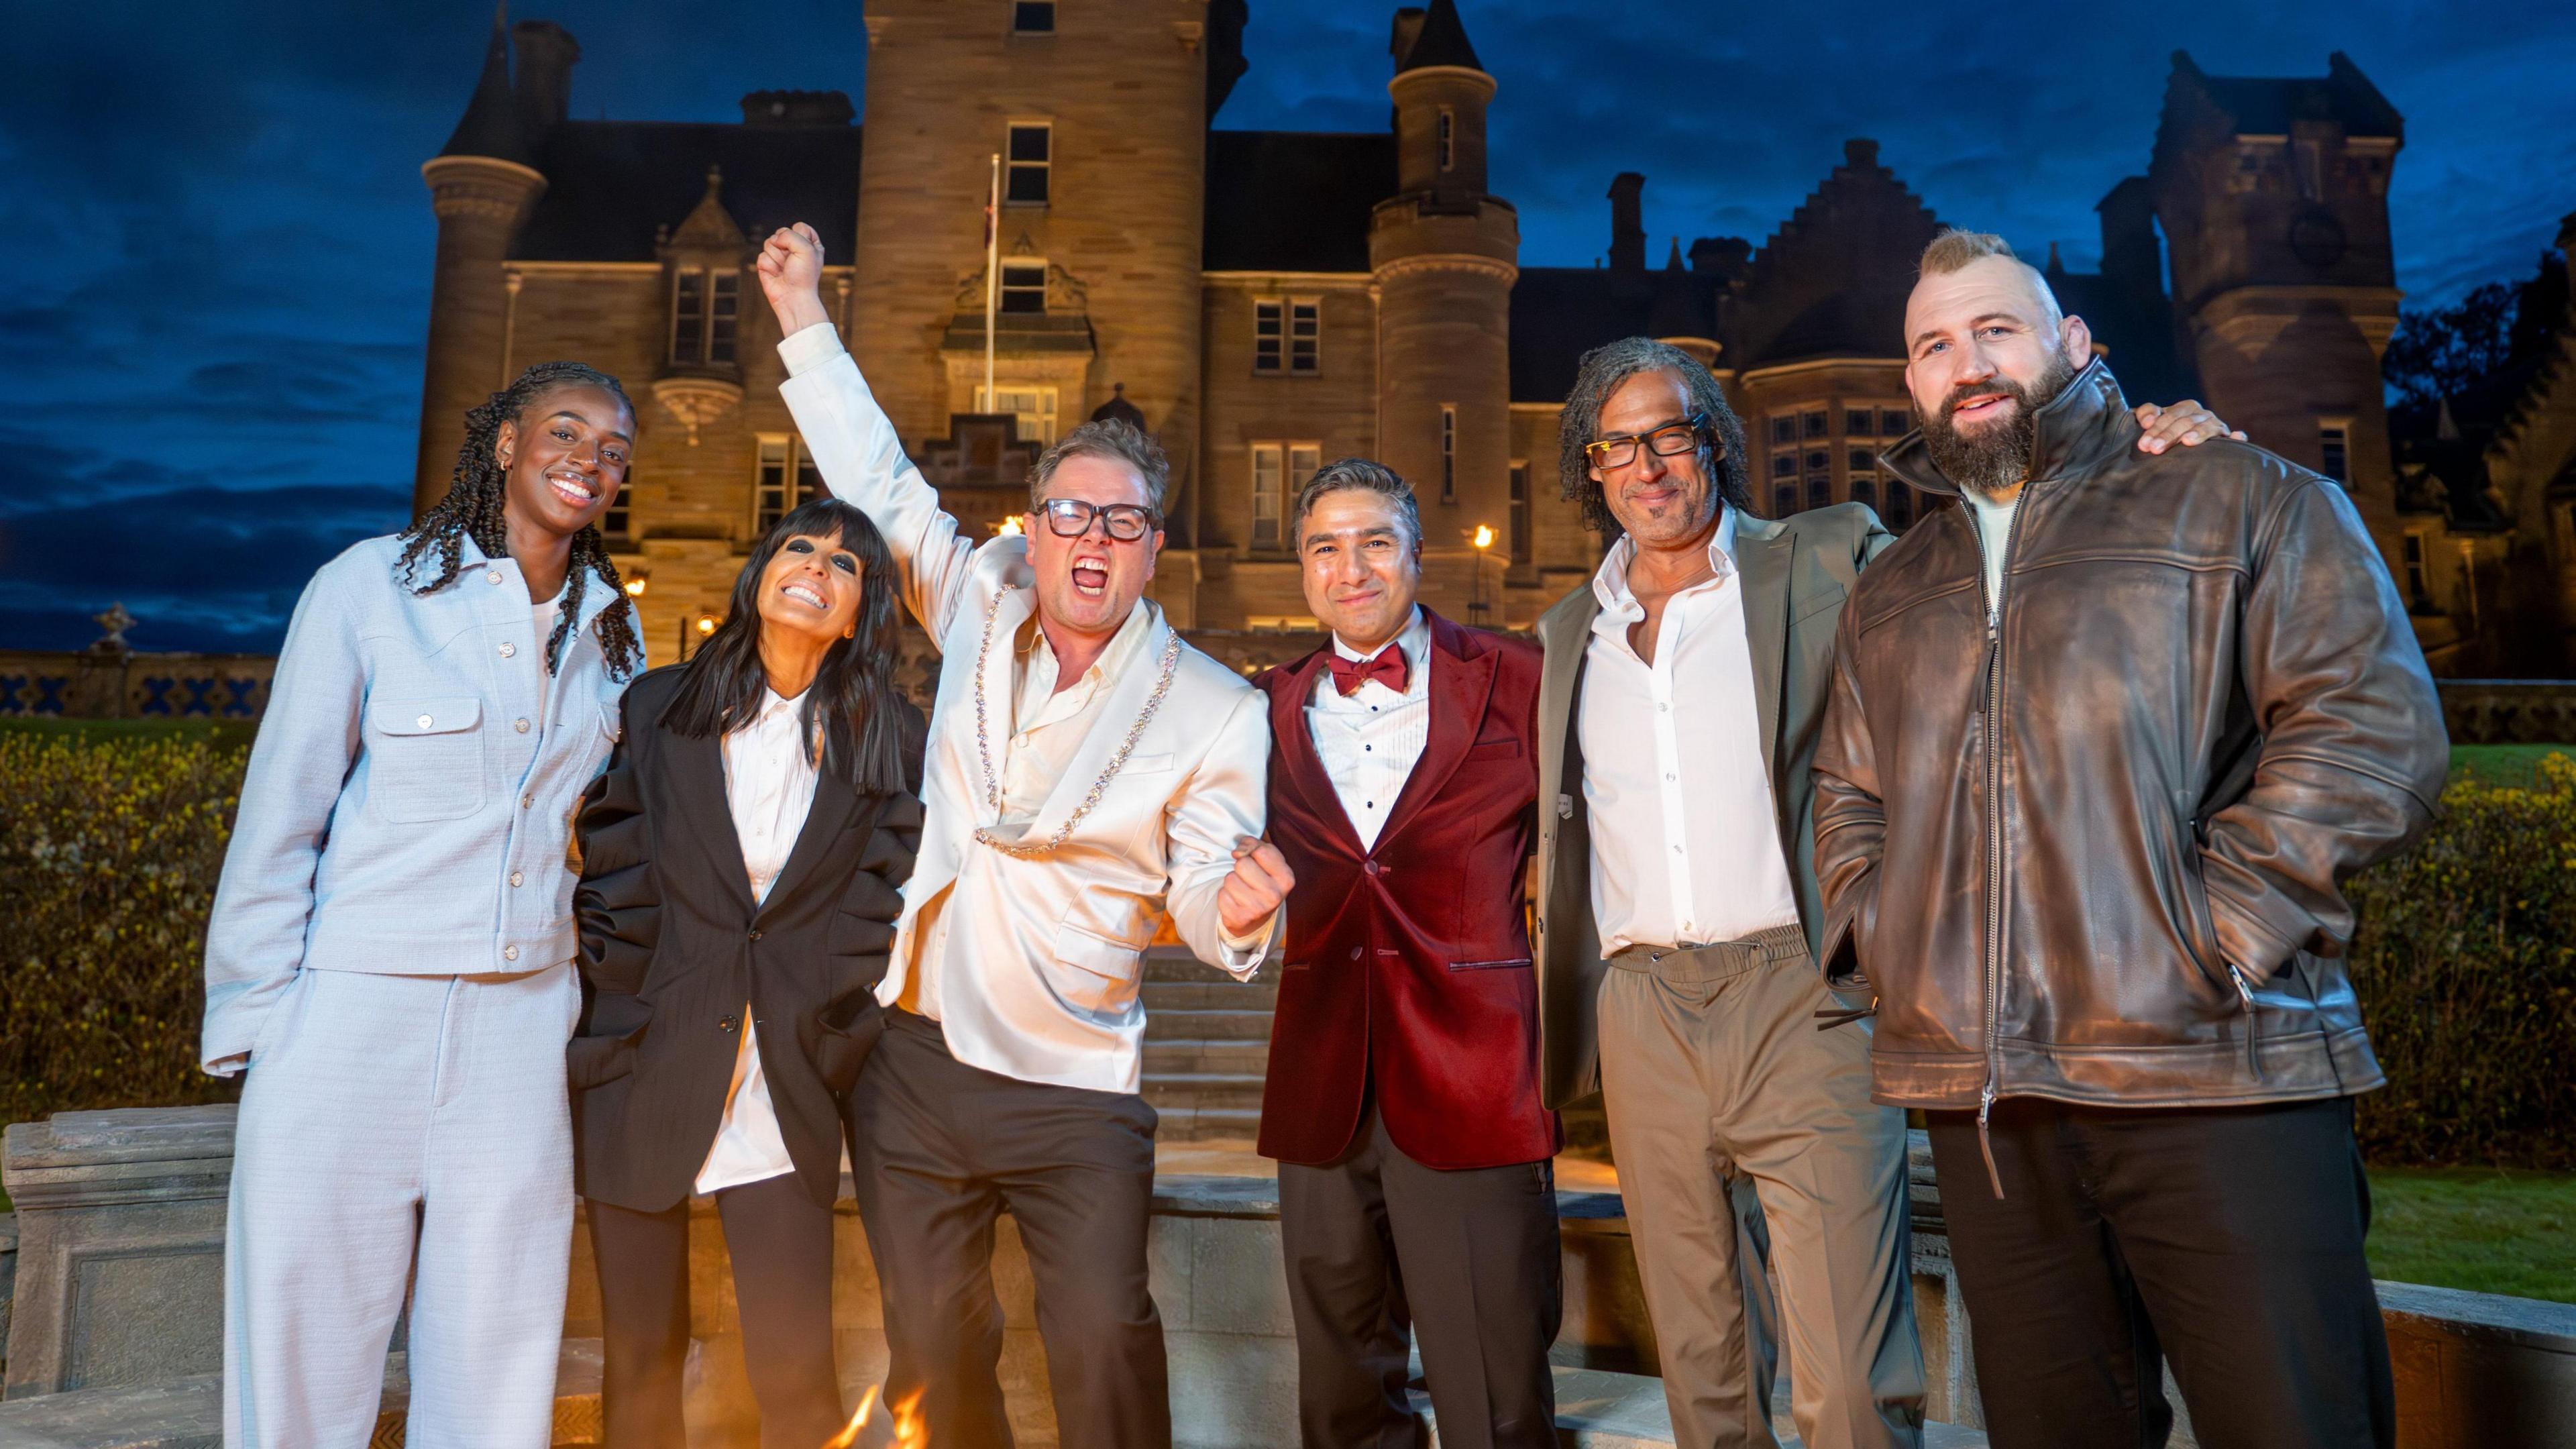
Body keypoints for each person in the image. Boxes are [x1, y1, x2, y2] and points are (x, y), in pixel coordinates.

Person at [1532, 337, 2239, 1449]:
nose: (1648, 464)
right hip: (1640, 1012)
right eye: (1617, 445)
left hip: (1801, 989)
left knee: (1851, 1380)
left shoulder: (1825, 557)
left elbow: (1993, 563)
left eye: (1671, 434)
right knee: (1701, 1358)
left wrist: (2143, 460)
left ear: (1714, 443)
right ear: (1589, 469)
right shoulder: (1567, 635)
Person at [1811, 229, 2447, 1449]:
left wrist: (2221, 937)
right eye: (1935, 345)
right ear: (1912, 386)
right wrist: (1890, 942)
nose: (1969, 362)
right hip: (1995, 1115)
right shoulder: (1894, 591)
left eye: (1997, 328)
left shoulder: (2241, 493)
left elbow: (2369, 733)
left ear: (2075, 344)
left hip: (2217, 1074)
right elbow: (1849, 795)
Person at [757, 221, 1293, 1449]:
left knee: (1103, 1338)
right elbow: (885, 488)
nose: (1091, 541)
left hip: (1073, 1085)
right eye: (1070, 516)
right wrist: (804, 317)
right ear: (1036, 527)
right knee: (936, 1348)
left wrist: (1242, 906)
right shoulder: (981, 600)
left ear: (1153, 549)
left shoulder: (1218, 709)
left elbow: (1206, 899)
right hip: (914, 1062)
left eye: (1122, 524)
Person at [201, 361, 643, 1448]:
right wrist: (265, 1025)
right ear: (505, 443)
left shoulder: (612, 635)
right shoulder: (370, 586)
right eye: (566, 431)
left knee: (499, 1361)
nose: (590, 460)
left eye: (615, 451)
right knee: (302, 1353)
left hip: (521, 1028)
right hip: (353, 1014)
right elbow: (283, 813)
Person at [570, 496, 926, 1449]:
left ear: (860, 608)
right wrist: (628, 999)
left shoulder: (889, 731)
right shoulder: (660, 706)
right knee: (642, 1357)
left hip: (784, 1077)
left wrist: (828, 1014)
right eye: (798, 547)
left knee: (795, 1372)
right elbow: (611, 862)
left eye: (845, 564)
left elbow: (886, 888)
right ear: (760, 571)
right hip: (649, 1063)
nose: (816, 566)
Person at [1250, 460, 1560, 1449]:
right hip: (1321, 1084)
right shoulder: (1256, 709)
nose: (1352, 567)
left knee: (1494, 1395)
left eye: (1375, 541)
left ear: (1416, 554)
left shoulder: (1521, 678)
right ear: (1302, 569)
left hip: (1474, 1078)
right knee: (1340, 1393)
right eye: (1326, 547)